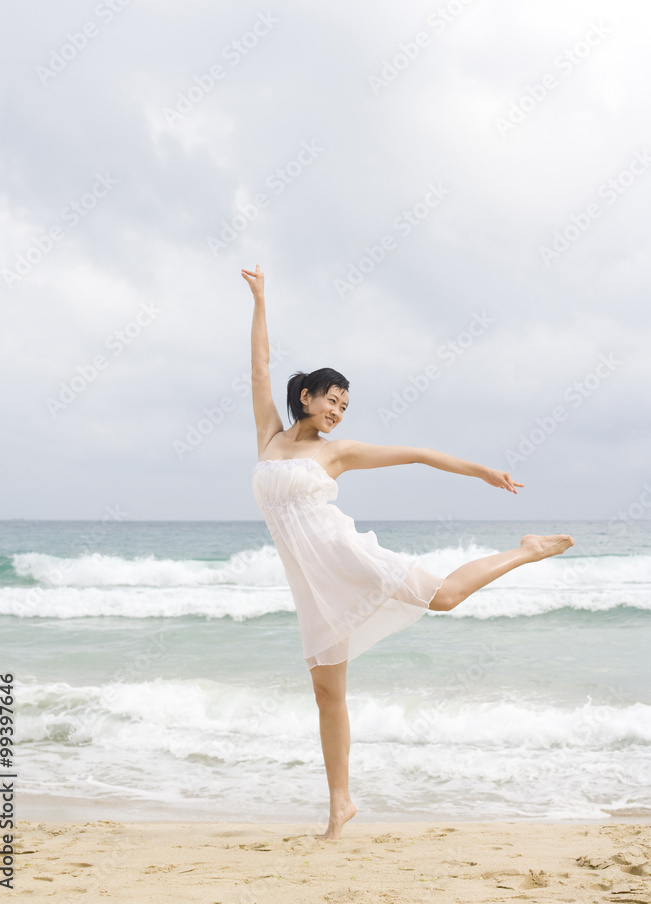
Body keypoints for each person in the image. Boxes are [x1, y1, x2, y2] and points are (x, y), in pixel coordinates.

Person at [241, 263, 574, 840]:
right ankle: (339, 805)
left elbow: (416, 453)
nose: (338, 412)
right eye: (332, 400)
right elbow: (258, 368)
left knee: (443, 597)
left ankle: (525, 550)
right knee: (327, 693)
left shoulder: (337, 451)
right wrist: (261, 300)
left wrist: (481, 471)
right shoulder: (270, 437)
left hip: (346, 557)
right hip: (312, 585)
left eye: (345, 405)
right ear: (306, 396)